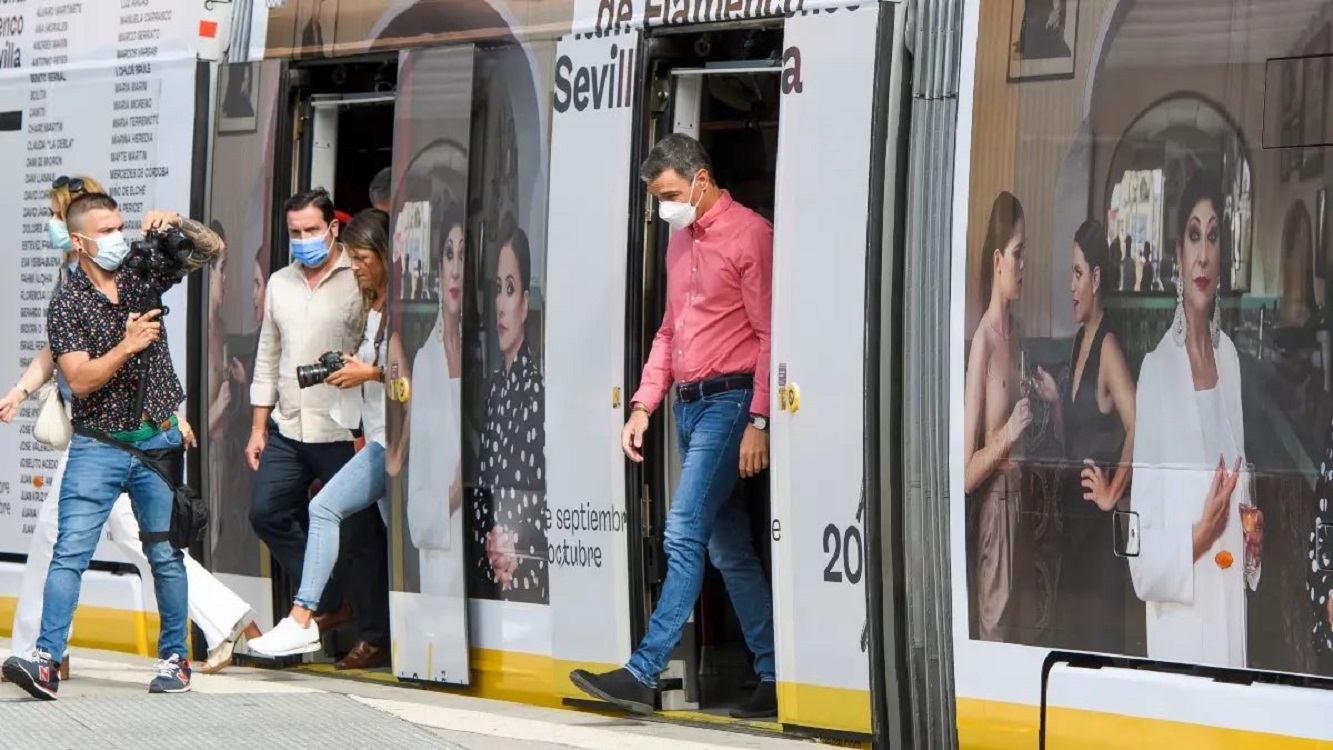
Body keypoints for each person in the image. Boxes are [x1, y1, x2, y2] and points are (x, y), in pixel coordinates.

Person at [0, 177, 255, 679]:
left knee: (164, 553)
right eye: (107, 230)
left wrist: (175, 223)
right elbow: (77, 376)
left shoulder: (143, 269)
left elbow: (211, 247)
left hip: (157, 444)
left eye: (120, 226)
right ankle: (46, 660)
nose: (119, 237)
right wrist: (126, 346)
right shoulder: (67, 302)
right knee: (68, 552)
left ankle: (175, 661)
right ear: (80, 242)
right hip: (99, 446)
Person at [569, 133, 776, 719]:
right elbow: (669, 332)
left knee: (684, 531)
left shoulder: (751, 235)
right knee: (727, 547)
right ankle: (773, 672)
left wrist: (759, 419)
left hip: (730, 403)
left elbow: (768, 334)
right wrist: (643, 406)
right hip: (688, 404)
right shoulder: (680, 242)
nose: (664, 207)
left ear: (701, 181)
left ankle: (643, 671)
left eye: (669, 194)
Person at [247, 188, 390, 670]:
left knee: (358, 533)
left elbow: (380, 353)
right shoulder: (281, 283)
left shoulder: (361, 278)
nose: (303, 240)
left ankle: (371, 635)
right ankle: (327, 602)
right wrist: (258, 425)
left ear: (332, 229)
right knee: (266, 511)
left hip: (343, 426)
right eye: (294, 233)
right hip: (291, 423)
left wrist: (366, 396)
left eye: (311, 230)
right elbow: (268, 353)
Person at [1128, 175, 1263, 668]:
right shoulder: (1156, 373)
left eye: (1212, 236)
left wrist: (1250, 538)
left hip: (1232, 625)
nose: (1203, 254)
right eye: (1192, 235)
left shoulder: (1229, 360)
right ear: (1177, 257)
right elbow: (1141, 563)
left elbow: (1239, 496)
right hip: (1184, 641)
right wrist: (1200, 536)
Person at [1036, 219, 1138, 653]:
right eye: (1070, 275)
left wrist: (1113, 490)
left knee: (1098, 649)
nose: (1071, 286)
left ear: (1096, 279)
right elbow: (1071, 436)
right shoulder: (1080, 341)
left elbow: (1140, 423)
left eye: (1078, 274)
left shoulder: (1108, 346)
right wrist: (1057, 399)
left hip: (1099, 538)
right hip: (1074, 531)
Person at [963, 191, 1043, 644]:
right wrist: (1010, 432)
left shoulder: (1020, 332)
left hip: (1024, 498)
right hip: (996, 507)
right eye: (1018, 254)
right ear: (998, 259)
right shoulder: (984, 344)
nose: (1023, 265)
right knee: (995, 633)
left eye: (1026, 253)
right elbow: (965, 474)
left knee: (1023, 637)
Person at [469, 226, 548, 604]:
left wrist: (514, 546)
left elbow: (543, 495)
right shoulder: (494, 390)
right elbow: (483, 492)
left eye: (511, 289)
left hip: (531, 573)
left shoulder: (537, 390)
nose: (501, 303)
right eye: (497, 288)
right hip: (494, 570)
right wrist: (492, 544)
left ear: (526, 302)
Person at [396, 206, 465, 595]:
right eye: (449, 255)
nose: (456, 270)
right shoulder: (425, 362)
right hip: (443, 563)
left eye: (464, 255)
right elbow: (418, 509)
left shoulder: (483, 356)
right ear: (438, 268)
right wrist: (452, 497)